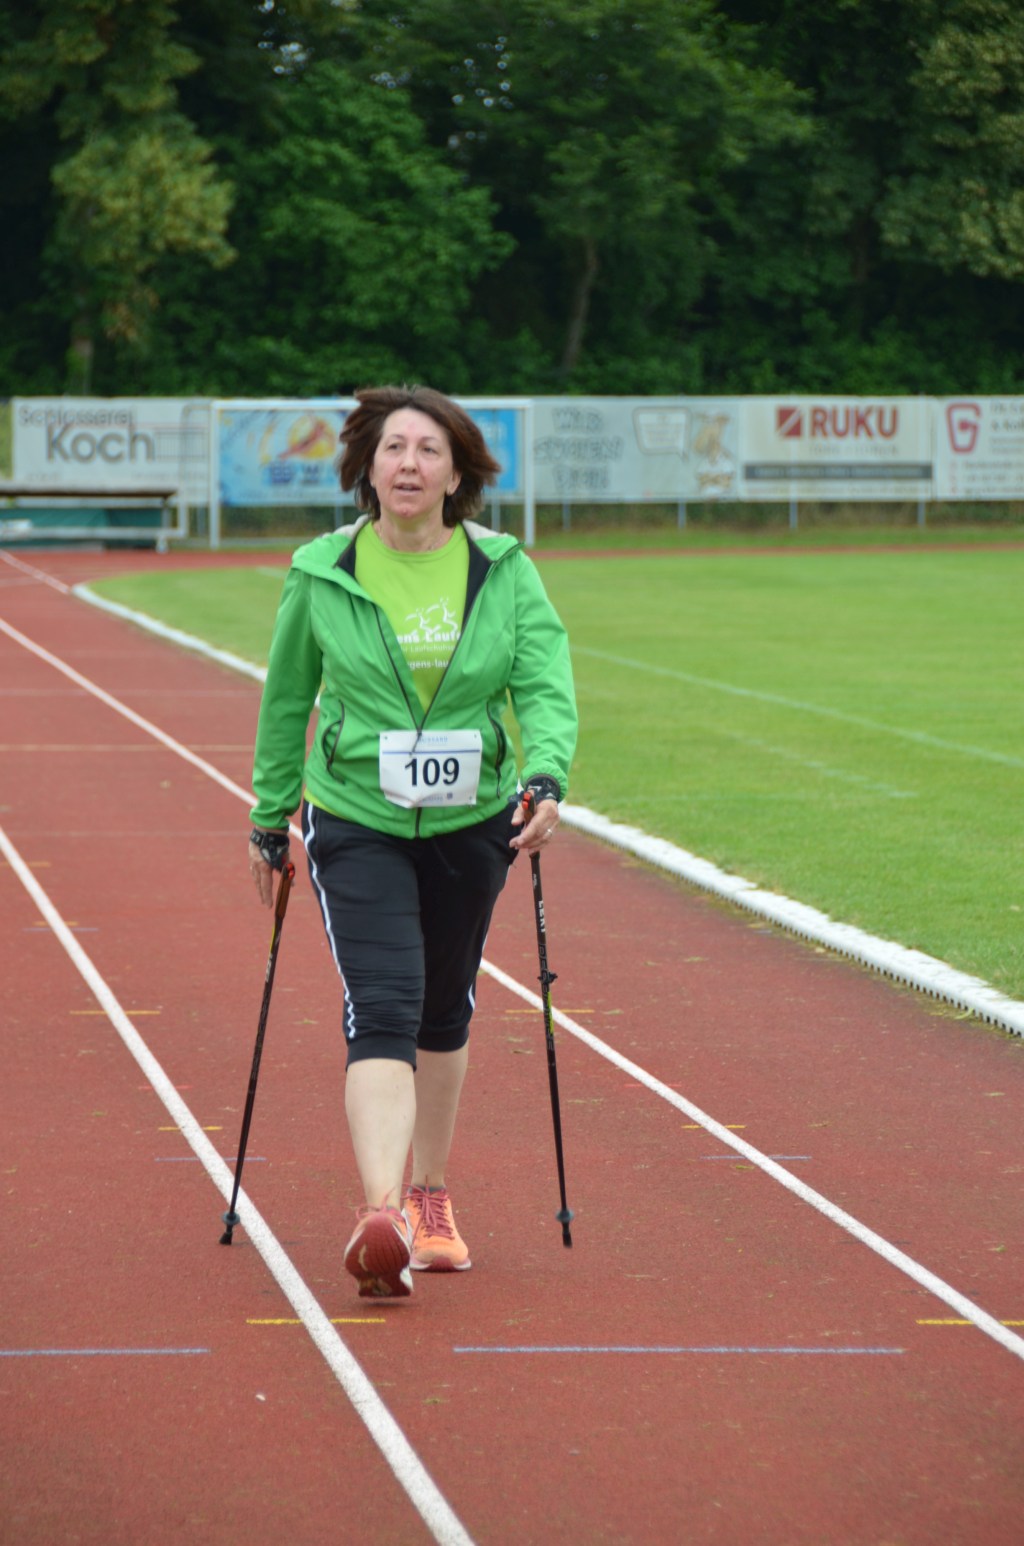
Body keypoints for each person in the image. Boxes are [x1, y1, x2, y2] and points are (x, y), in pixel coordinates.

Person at [247, 385, 577, 1299]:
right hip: (357, 816)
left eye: (430, 450)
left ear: (457, 474)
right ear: (368, 466)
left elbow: (543, 682)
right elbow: (287, 697)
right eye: (393, 447)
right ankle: (382, 1213)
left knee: (443, 1008)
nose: (408, 464)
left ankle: (430, 1194)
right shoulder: (323, 571)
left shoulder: (502, 569)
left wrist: (547, 775)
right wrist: (270, 817)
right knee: (383, 1003)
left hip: (473, 824)